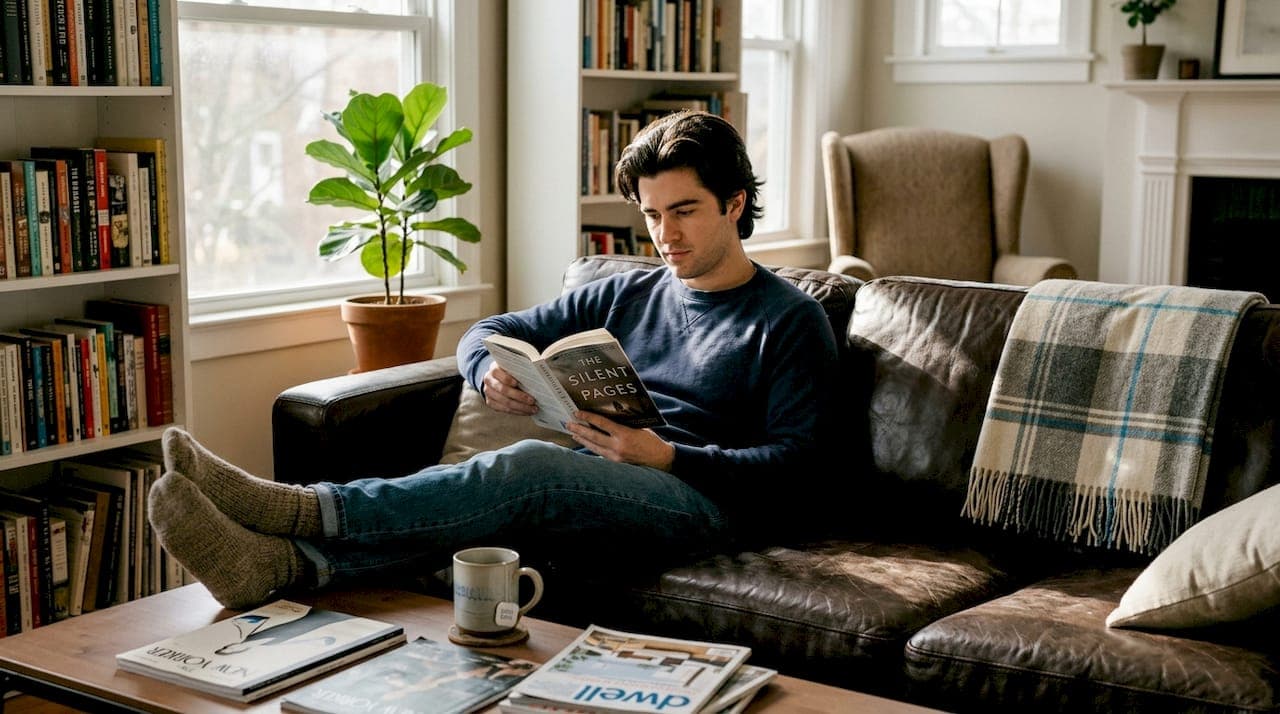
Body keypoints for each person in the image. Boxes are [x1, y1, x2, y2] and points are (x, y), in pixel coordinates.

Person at [150, 110, 840, 609]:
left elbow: (800, 471)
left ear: (736, 203)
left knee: (529, 469)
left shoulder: (790, 319)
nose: (665, 235)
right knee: (505, 505)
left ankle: (299, 510)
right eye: (653, 215)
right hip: (608, 478)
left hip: (714, 503)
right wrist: (488, 371)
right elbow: (488, 327)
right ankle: (281, 564)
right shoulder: (630, 291)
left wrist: (668, 457)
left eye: (684, 211)